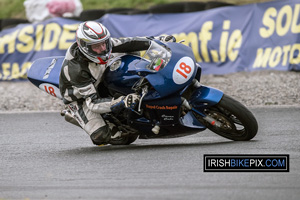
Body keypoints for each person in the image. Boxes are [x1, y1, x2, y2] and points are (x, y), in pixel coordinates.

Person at [59, 21, 176, 145]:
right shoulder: (76, 70)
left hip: (99, 79)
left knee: (130, 52)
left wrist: (159, 40)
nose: (103, 49)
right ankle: (72, 112)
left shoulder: (104, 45)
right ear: (85, 47)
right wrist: (122, 101)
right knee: (108, 137)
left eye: (104, 43)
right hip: (81, 100)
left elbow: (131, 43)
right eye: (97, 46)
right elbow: (92, 103)